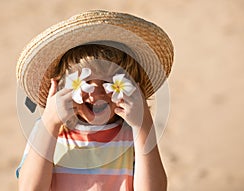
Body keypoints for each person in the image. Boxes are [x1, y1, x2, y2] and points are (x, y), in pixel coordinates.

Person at [16, 10, 174, 191]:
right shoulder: (49, 130)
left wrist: (144, 125)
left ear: (131, 87)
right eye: (84, 83)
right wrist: (50, 122)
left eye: (109, 82)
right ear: (61, 87)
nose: (95, 94)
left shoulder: (133, 134)